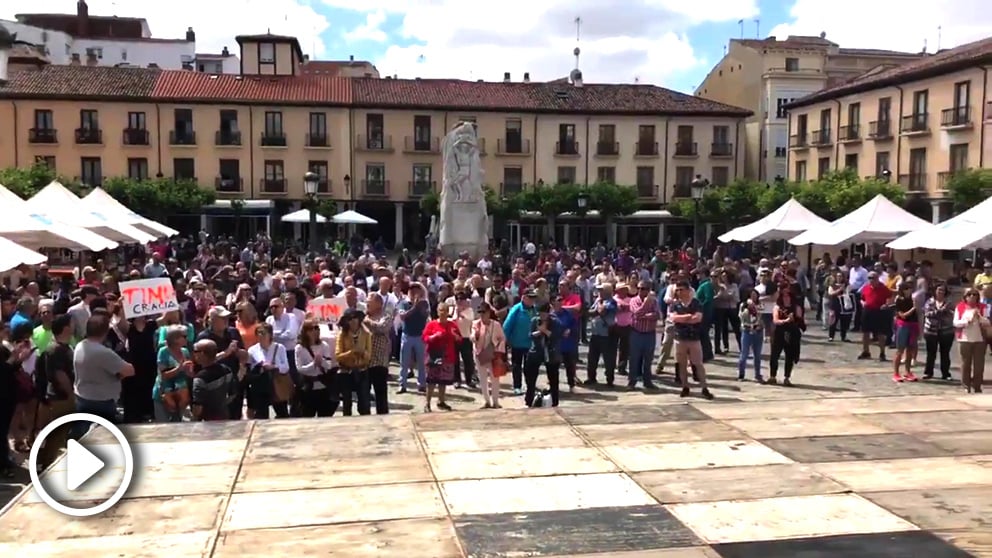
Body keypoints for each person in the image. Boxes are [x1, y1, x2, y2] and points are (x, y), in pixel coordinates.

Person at [72, 314, 135, 438]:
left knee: (85, 436)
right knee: (102, 438)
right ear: (105, 331)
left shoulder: (80, 346)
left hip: (82, 398)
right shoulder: (103, 352)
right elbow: (130, 370)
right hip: (101, 403)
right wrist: (119, 375)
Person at [35, 314, 75, 468]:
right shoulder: (56, 349)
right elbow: (60, 375)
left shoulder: (64, 347)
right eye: (71, 324)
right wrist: (71, 395)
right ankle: (45, 465)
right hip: (60, 398)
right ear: (66, 328)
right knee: (55, 435)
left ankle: (44, 463)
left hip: (60, 398)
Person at [670, 280, 713, 399]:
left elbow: (697, 318)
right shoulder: (675, 304)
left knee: (698, 364)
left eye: (681, 289)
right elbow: (673, 317)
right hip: (680, 338)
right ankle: (685, 386)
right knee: (681, 364)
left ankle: (704, 387)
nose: (679, 292)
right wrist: (688, 316)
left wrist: (682, 318)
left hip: (694, 339)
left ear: (688, 290)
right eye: (677, 290)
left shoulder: (696, 303)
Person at [246, 322, 291, 418]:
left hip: (276, 384)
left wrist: (274, 367)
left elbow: (286, 367)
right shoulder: (252, 350)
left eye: (263, 333)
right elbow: (250, 370)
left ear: (270, 334)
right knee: (261, 416)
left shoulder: (279, 348)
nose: (260, 335)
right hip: (260, 386)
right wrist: (259, 368)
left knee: (282, 414)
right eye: (258, 333)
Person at [294, 319, 337, 417]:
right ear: (306, 331)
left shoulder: (323, 345)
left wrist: (321, 361)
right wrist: (313, 364)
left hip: (323, 386)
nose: (316, 331)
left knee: (325, 416)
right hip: (308, 387)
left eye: (318, 328)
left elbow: (329, 365)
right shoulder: (300, 348)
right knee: (307, 415)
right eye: (314, 328)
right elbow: (300, 368)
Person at [422, 304, 460, 412]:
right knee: (431, 381)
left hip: (447, 357)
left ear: (448, 312)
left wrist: (455, 335)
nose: (442, 313)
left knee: (443, 380)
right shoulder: (432, 324)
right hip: (434, 356)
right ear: (438, 312)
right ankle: (427, 403)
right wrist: (434, 336)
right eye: (440, 310)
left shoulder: (452, 325)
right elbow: (424, 338)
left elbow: (459, 339)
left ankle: (441, 401)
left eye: (445, 311)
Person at [525, 303, 562, 407]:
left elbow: (556, 336)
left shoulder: (555, 322)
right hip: (537, 350)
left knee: (553, 378)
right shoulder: (534, 320)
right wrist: (537, 332)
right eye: (540, 314)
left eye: (544, 314)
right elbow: (530, 334)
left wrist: (544, 330)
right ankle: (529, 400)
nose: (542, 316)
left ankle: (555, 401)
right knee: (531, 378)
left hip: (550, 352)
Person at [190, 339, 236, 421]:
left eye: (195, 351)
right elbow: (233, 394)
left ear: (202, 354)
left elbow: (197, 408)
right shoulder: (227, 370)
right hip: (224, 416)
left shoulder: (201, 378)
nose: (193, 354)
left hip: (207, 421)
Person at [155, 324, 193, 422]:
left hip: (181, 394)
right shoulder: (163, 352)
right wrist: (179, 369)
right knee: (163, 424)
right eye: (184, 336)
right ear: (175, 339)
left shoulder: (185, 351)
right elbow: (163, 375)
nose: (186, 339)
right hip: (165, 392)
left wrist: (190, 371)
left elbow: (189, 374)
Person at [397, 283, 430, 394]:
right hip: (407, 335)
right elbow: (403, 316)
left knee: (421, 361)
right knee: (404, 361)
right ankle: (402, 384)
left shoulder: (424, 303)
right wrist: (414, 307)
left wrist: (420, 306)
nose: (414, 292)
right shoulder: (403, 303)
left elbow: (425, 316)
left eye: (417, 290)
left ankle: (422, 384)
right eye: (412, 290)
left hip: (420, 336)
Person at [953, 288, 987, 394]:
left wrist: (980, 318)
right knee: (965, 364)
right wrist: (967, 321)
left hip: (979, 339)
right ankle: (966, 385)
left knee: (979, 365)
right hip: (964, 339)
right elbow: (956, 322)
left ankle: (977, 386)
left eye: (975, 294)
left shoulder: (982, 307)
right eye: (969, 294)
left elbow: (987, 322)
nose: (972, 296)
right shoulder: (960, 307)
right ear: (965, 296)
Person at [472, 302, 506, 409]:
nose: (482, 315)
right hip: (480, 354)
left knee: (495, 378)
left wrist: (497, 348)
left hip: (493, 354)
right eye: (480, 312)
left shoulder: (496, 324)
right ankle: (486, 401)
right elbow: (472, 337)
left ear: (488, 313)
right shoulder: (475, 324)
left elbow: (502, 338)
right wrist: (475, 335)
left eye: (484, 312)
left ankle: (495, 401)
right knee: (482, 378)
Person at [502, 290, 537, 395]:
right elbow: (507, 325)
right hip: (517, 343)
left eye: (533, 298)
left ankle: (530, 386)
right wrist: (505, 340)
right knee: (517, 366)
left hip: (530, 343)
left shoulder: (535, 310)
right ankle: (517, 386)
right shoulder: (516, 309)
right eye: (530, 298)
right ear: (524, 298)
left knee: (529, 366)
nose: (532, 300)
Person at [769, 285, 803, 386]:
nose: (786, 299)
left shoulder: (795, 306)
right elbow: (775, 320)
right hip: (779, 331)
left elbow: (800, 318)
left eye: (787, 296)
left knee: (790, 355)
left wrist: (796, 317)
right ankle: (772, 376)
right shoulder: (777, 306)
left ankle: (787, 377)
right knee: (775, 354)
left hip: (791, 331)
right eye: (784, 297)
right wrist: (785, 320)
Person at [627, 281, 660, 390]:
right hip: (636, 333)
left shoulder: (654, 301)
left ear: (648, 290)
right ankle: (632, 382)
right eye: (640, 288)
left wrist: (644, 315)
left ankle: (647, 381)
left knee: (648, 359)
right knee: (634, 359)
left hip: (649, 334)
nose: (642, 291)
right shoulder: (633, 300)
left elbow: (656, 315)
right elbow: (636, 313)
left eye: (645, 289)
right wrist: (646, 305)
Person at [364, 293, 392, 414]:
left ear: (379, 303)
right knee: (364, 393)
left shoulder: (386, 316)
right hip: (364, 361)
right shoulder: (364, 316)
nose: (367, 303)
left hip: (379, 361)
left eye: (370, 301)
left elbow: (381, 328)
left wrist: (367, 321)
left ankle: (383, 417)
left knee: (380, 394)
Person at [922, 284, 955, 380]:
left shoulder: (949, 303)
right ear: (935, 291)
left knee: (945, 353)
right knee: (931, 353)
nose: (940, 292)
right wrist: (940, 311)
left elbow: (953, 314)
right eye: (939, 290)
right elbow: (927, 314)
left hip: (946, 331)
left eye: (943, 290)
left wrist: (945, 312)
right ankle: (928, 372)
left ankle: (946, 373)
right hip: (931, 331)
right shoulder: (930, 302)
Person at [892, 282, 920, 382]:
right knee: (900, 350)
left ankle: (908, 371)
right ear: (903, 290)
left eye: (910, 288)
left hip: (913, 325)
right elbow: (903, 315)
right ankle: (896, 373)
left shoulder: (912, 299)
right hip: (903, 325)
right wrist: (913, 308)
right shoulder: (899, 300)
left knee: (910, 350)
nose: (909, 291)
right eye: (907, 289)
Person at [552, 295, 579, 393]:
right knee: (554, 367)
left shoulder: (568, 314)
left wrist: (570, 330)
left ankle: (571, 385)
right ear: (553, 303)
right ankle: (554, 386)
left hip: (567, 345)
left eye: (561, 301)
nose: (559, 303)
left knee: (569, 366)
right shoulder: (551, 315)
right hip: (556, 345)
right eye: (557, 301)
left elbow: (574, 325)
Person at [737, 289, 764, 382]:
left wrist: (755, 309)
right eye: (751, 295)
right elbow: (741, 317)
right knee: (744, 354)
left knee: (757, 355)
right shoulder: (743, 306)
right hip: (747, 331)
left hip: (758, 331)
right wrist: (748, 308)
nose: (753, 296)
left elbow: (760, 317)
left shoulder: (760, 305)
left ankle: (757, 374)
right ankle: (741, 374)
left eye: (755, 295)